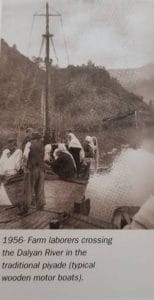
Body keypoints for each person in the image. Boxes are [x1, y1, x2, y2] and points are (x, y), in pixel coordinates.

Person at [21, 131, 45, 214]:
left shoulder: (29, 144)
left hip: (32, 168)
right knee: (40, 187)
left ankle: (25, 208)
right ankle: (40, 205)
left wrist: (24, 167)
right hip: (41, 169)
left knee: (28, 188)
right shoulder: (42, 145)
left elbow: (25, 156)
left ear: (32, 138)